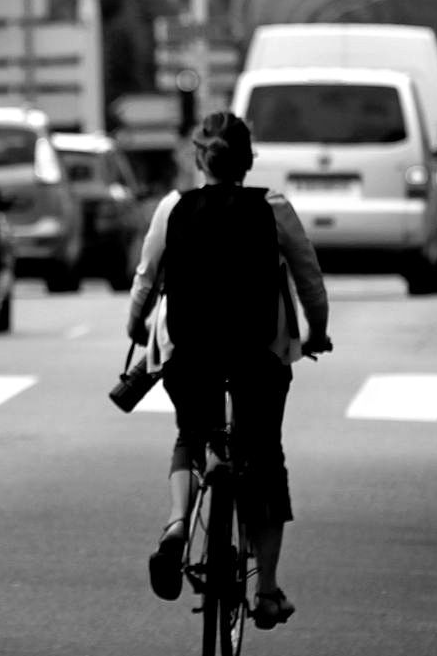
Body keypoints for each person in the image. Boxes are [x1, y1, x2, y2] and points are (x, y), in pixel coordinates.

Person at [125, 110, 331, 629]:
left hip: (189, 351)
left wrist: (135, 327)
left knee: (191, 435)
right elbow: (309, 279)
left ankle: (176, 526)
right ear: (248, 161)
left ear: (198, 159)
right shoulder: (273, 207)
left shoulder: (173, 207)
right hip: (258, 352)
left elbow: (147, 278)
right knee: (264, 455)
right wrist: (316, 332)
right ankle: (266, 591)